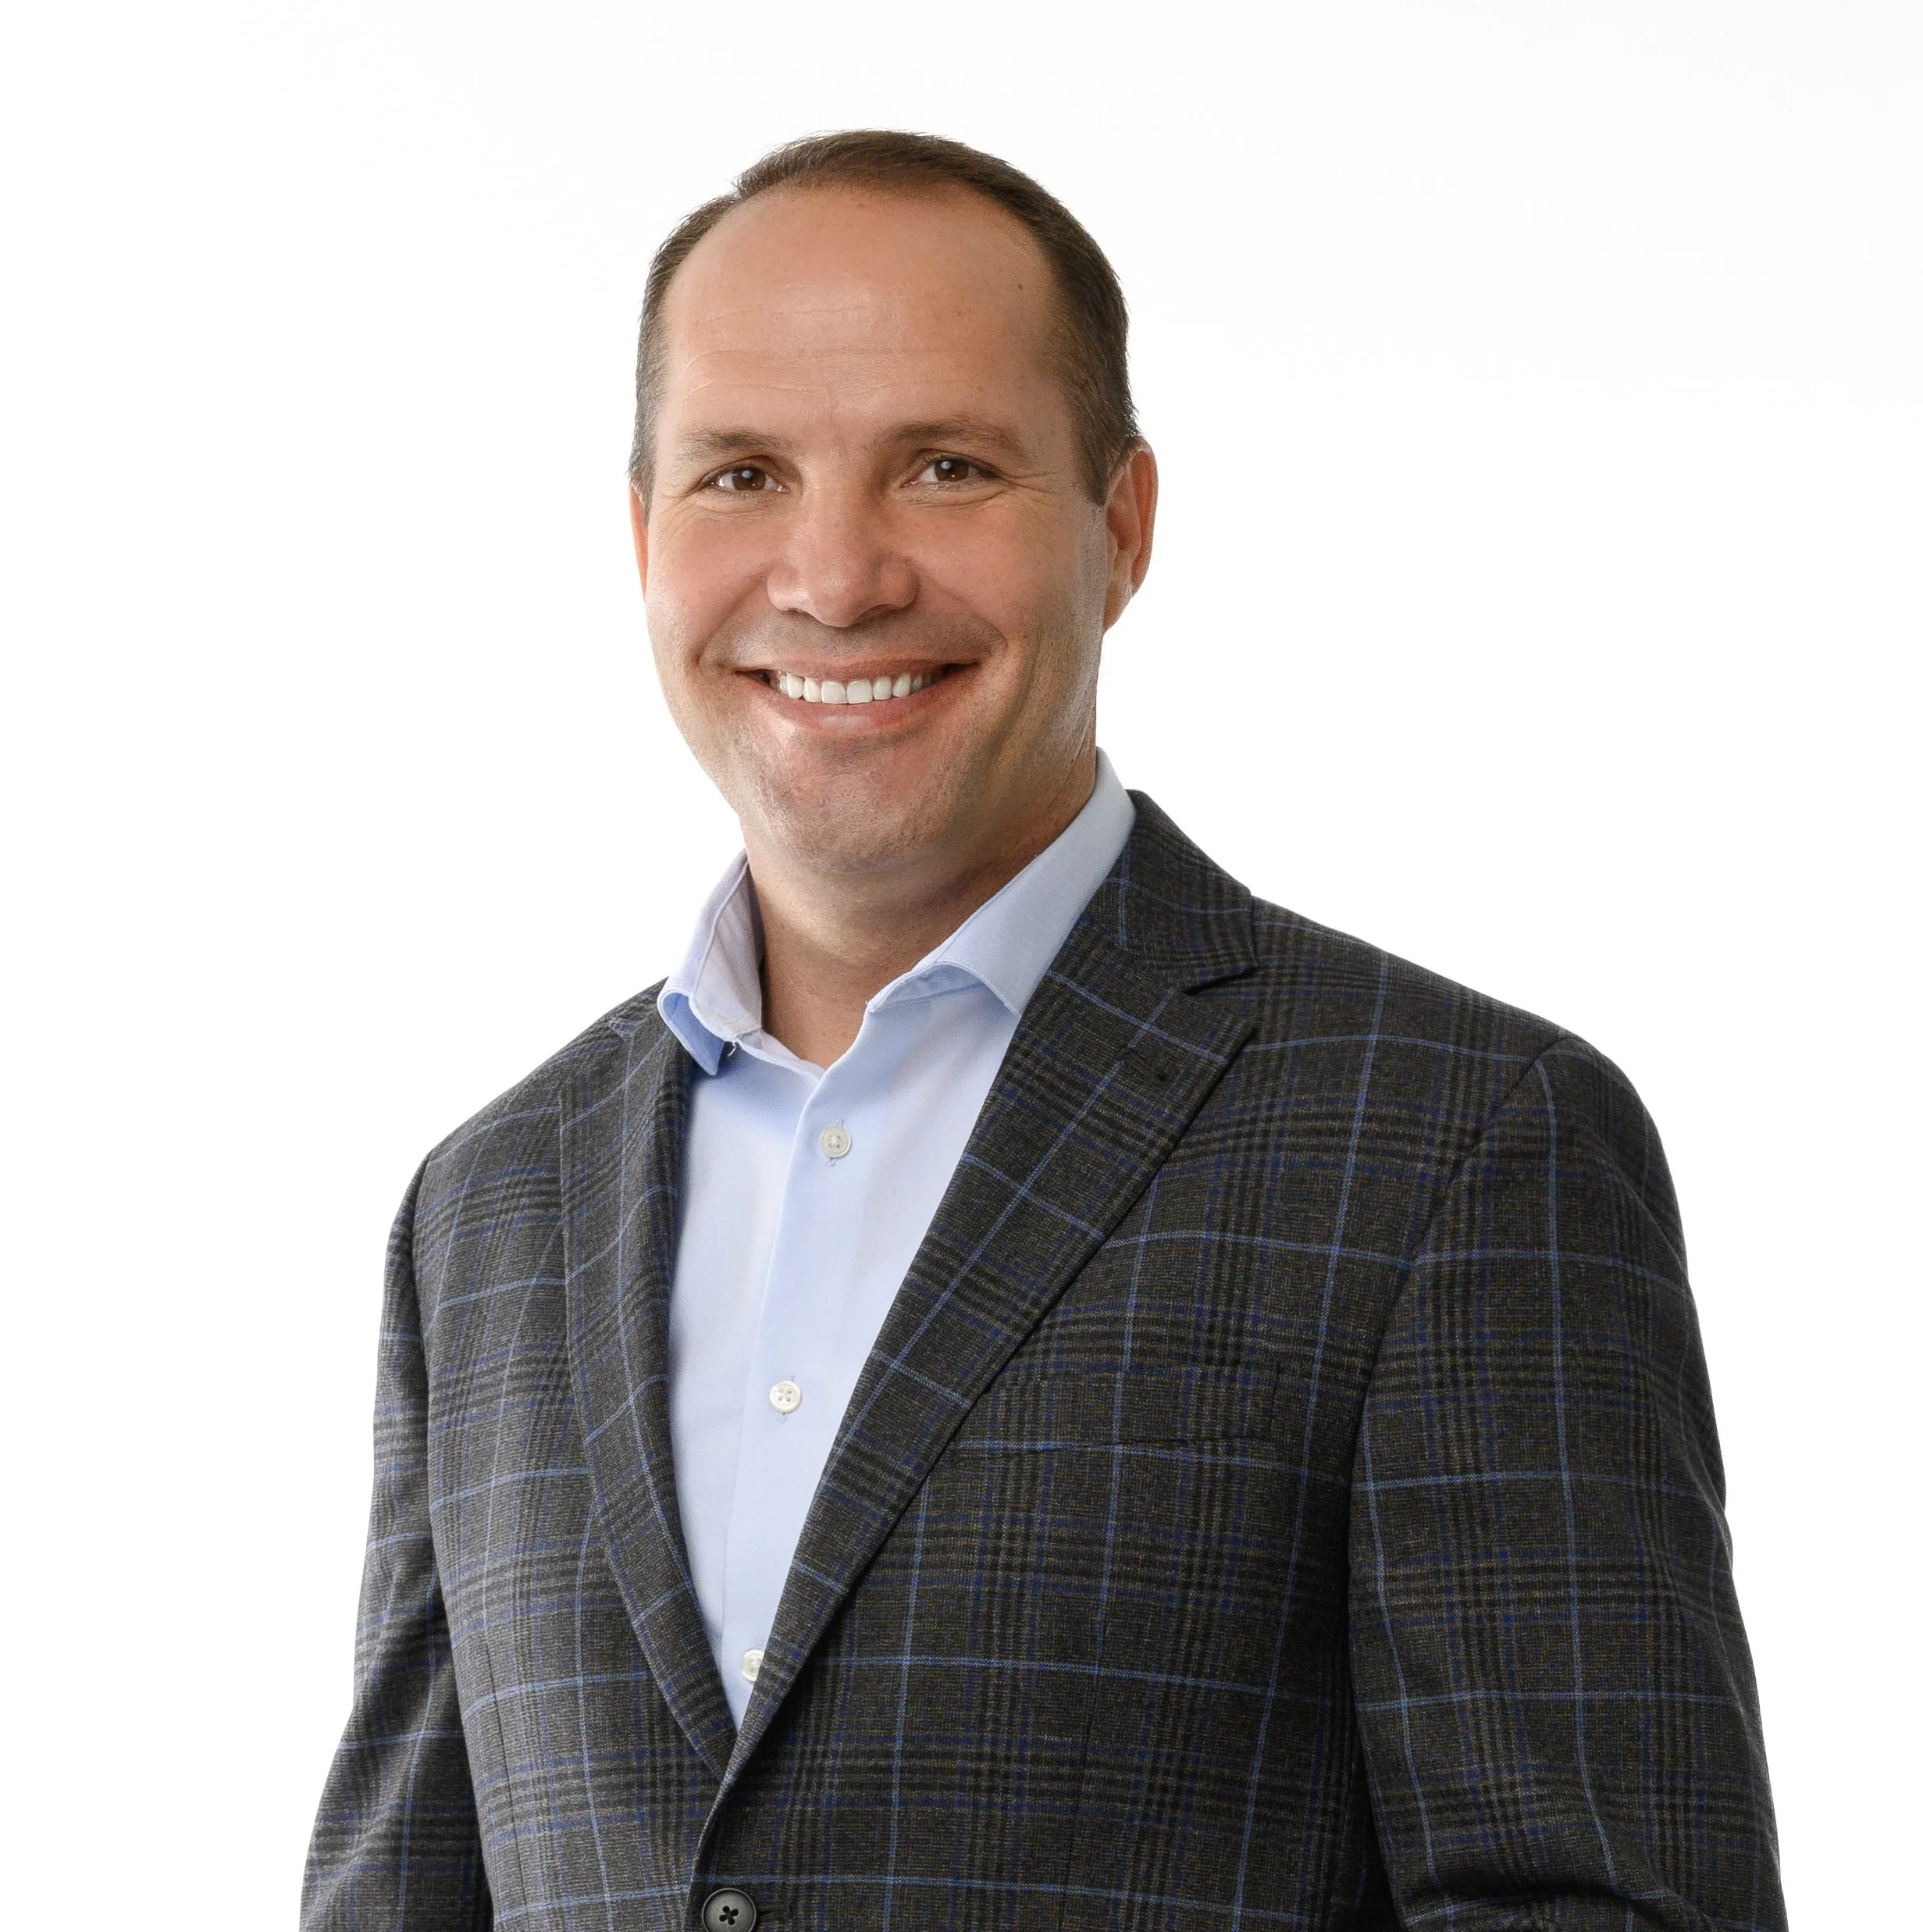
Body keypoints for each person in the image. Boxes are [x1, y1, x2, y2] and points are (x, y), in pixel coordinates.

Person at [303, 131, 1784, 1931]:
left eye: (944, 465)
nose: (834, 577)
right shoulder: (487, 1207)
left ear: (1122, 524)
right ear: (643, 540)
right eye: (742, 473)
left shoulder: (1456, 1144)